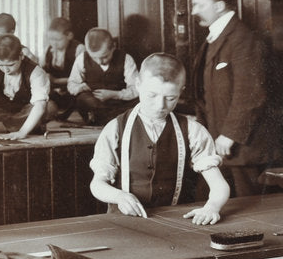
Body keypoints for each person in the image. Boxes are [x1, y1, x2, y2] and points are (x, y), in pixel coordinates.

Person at [89, 53, 230, 223]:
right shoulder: (115, 128)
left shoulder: (193, 131)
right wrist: (118, 196)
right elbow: (97, 184)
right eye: (152, 95)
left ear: (181, 91)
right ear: (138, 84)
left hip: (175, 221)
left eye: (171, 98)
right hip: (123, 221)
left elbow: (219, 185)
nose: (160, 106)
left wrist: (212, 207)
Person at [191, 0, 280, 197]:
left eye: (200, 5)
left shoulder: (244, 39)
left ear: (219, 6)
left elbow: (251, 94)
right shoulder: (217, 37)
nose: (194, 11)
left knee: (249, 210)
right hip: (221, 146)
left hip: (243, 148)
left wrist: (229, 134)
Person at [67, 27, 138, 126]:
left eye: (104, 56)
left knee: (138, 101)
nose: (100, 62)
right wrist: (80, 87)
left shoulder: (126, 59)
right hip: (95, 103)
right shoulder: (82, 58)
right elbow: (71, 85)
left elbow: (136, 89)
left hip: (119, 102)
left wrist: (115, 94)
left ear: (113, 46)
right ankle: (115, 119)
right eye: (94, 58)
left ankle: (104, 119)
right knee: (83, 99)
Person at [41, 16, 80, 120]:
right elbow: (42, 68)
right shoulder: (48, 50)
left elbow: (83, 78)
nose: (54, 43)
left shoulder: (78, 49)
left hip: (73, 87)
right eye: (50, 39)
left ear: (69, 36)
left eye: (58, 40)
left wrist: (55, 80)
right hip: (55, 89)